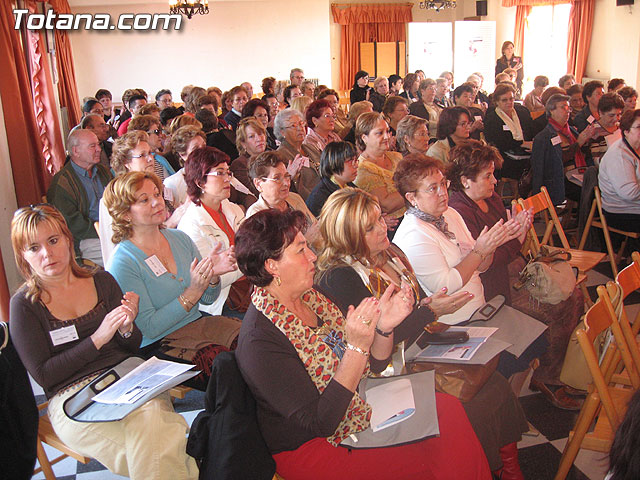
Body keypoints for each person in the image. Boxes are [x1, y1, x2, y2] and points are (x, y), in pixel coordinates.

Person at [234, 208, 492, 480]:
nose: (312, 256)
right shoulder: (259, 339)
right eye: (300, 251)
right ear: (272, 266)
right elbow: (322, 421)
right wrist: (356, 347)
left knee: (448, 412)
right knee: (437, 452)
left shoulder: (312, 296)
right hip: (314, 446)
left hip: (358, 402)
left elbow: (376, 363)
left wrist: (383, 327)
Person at [314, 188, 529, 476]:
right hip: (383, 370)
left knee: (495, 385)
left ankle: (510, 468)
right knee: (472, 408)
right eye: (370, 227)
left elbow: (408, 310)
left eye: (380, 218)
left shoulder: (389, 252)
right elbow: (379, 341)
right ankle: (487, 468)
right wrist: (430, 311)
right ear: (348, 237)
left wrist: (427, 306)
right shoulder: (339, 277)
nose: (382, 228)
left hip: (418, 344)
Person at [9, 204, 198, 479]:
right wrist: (98, 339)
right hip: (72, 398)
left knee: (154, 437)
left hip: (129, 378)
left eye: (53, 241)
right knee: (168, 446)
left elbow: (132, 345)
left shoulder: (101, 280)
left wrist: (126, 325)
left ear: (67, 239)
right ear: (22, 256)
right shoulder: (25, 305)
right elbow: (45, 376)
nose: (47, 254)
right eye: (33, 248)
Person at [447, 141, 582, 410]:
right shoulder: (459, 212)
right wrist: (514, 238)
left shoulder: (491, 199)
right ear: (465, 181)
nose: (495, 181)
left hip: (509, 271)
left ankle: (549, 374)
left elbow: (503, 250)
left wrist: (513, 238)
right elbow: (487, 262)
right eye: (487, 176)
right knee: (560, 305)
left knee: (573, 295)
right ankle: (546, 379)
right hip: (489, 289)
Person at [105, 172, 240, 368]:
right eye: (145, 200)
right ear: (125, 213)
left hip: (197, 323)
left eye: (157, 194)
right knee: (224, 363)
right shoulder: (123, 262)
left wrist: (211, 276)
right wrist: (192, 292)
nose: (157, 203)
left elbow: (207, 299)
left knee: (256, 341)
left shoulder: (180, 239)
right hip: (158, 343)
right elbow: (149, 328)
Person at [177, 147, 246, 317]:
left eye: (228, 173)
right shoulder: (191, 225)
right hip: (224, 301)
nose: (227, 179)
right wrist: (249, 261)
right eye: (220, 173)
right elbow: (212, 280)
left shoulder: (232, 209)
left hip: (250, 286)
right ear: (200, 182)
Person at [47, 129, 113, 266]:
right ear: (76, 151)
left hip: (112, 229)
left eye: (98, 145)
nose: (99, 150)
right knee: (121, 255)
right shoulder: (63, 183)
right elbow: (70, 223)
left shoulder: (103, 172)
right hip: (85, 239)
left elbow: (118, 200)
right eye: (92, 146)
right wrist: (103, 230)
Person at [530, 94, 595, 206]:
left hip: (577, 174)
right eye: (563, 107)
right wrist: (578, 143)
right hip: (558, 179)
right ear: (551, 111)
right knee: (590, 193)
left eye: (568, 108)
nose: (568, 111)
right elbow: (552, 163)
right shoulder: (544, 137)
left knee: (599, 188)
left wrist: (586, 140)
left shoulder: (570, 131)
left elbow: (583, 153)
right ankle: (585, 222)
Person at [354, 112, 404, 233]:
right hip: (391, 227)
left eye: (387, 131)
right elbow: (387, 205)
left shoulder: (397, 157)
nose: (387, 137)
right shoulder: (363, 168)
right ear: (364, 137)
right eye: (379, 133)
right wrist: (415, 188)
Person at [598, 109, 640, 235]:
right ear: (626, 131)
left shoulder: (636, 147)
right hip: (623, 212)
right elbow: (630, 193)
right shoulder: (619, 155)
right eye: (639, 127)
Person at [484, 83, 535, 180]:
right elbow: (498, 142)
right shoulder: (492, 117)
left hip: (527, 151)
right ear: (497, 102)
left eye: (511, 99)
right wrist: (522, 144)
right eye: (504, 100)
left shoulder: (522, 111)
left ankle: (537, 192)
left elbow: (532, 131)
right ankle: (523, 191)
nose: (509, 102)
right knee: (528, 167)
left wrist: (533, 144)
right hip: (504, 155)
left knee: (543, 160)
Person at [305, 141, 358, 217]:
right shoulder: (321, 196)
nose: (356, 165)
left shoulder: (349, 186)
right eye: (350, 161)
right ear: (334, 163)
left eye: (356, 161)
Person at [274, 108, 315, 199]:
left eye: (301, 123)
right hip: (308, 201)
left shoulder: (310, 148)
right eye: (293, 125)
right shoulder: (280, 156)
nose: (300, 128)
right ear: (282, 132)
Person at [163, 125, 207, 206]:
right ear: (182, 155)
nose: (203, 151)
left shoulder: (214, 173)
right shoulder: (173, 183)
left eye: (204, 146)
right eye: (196, 149)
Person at [230, 117, 267, 196]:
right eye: (251, 136)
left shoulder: (270, 157)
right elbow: (253, 193)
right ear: (243, 143)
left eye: (260, 133)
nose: (259, 139)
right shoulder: (239, 164)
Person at [303, 99, 342, 169]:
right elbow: (320, 166)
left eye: (333, 116)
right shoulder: (309, 142)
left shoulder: (334, 137)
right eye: (327, 116)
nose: (332, 119)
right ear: (315, 121)